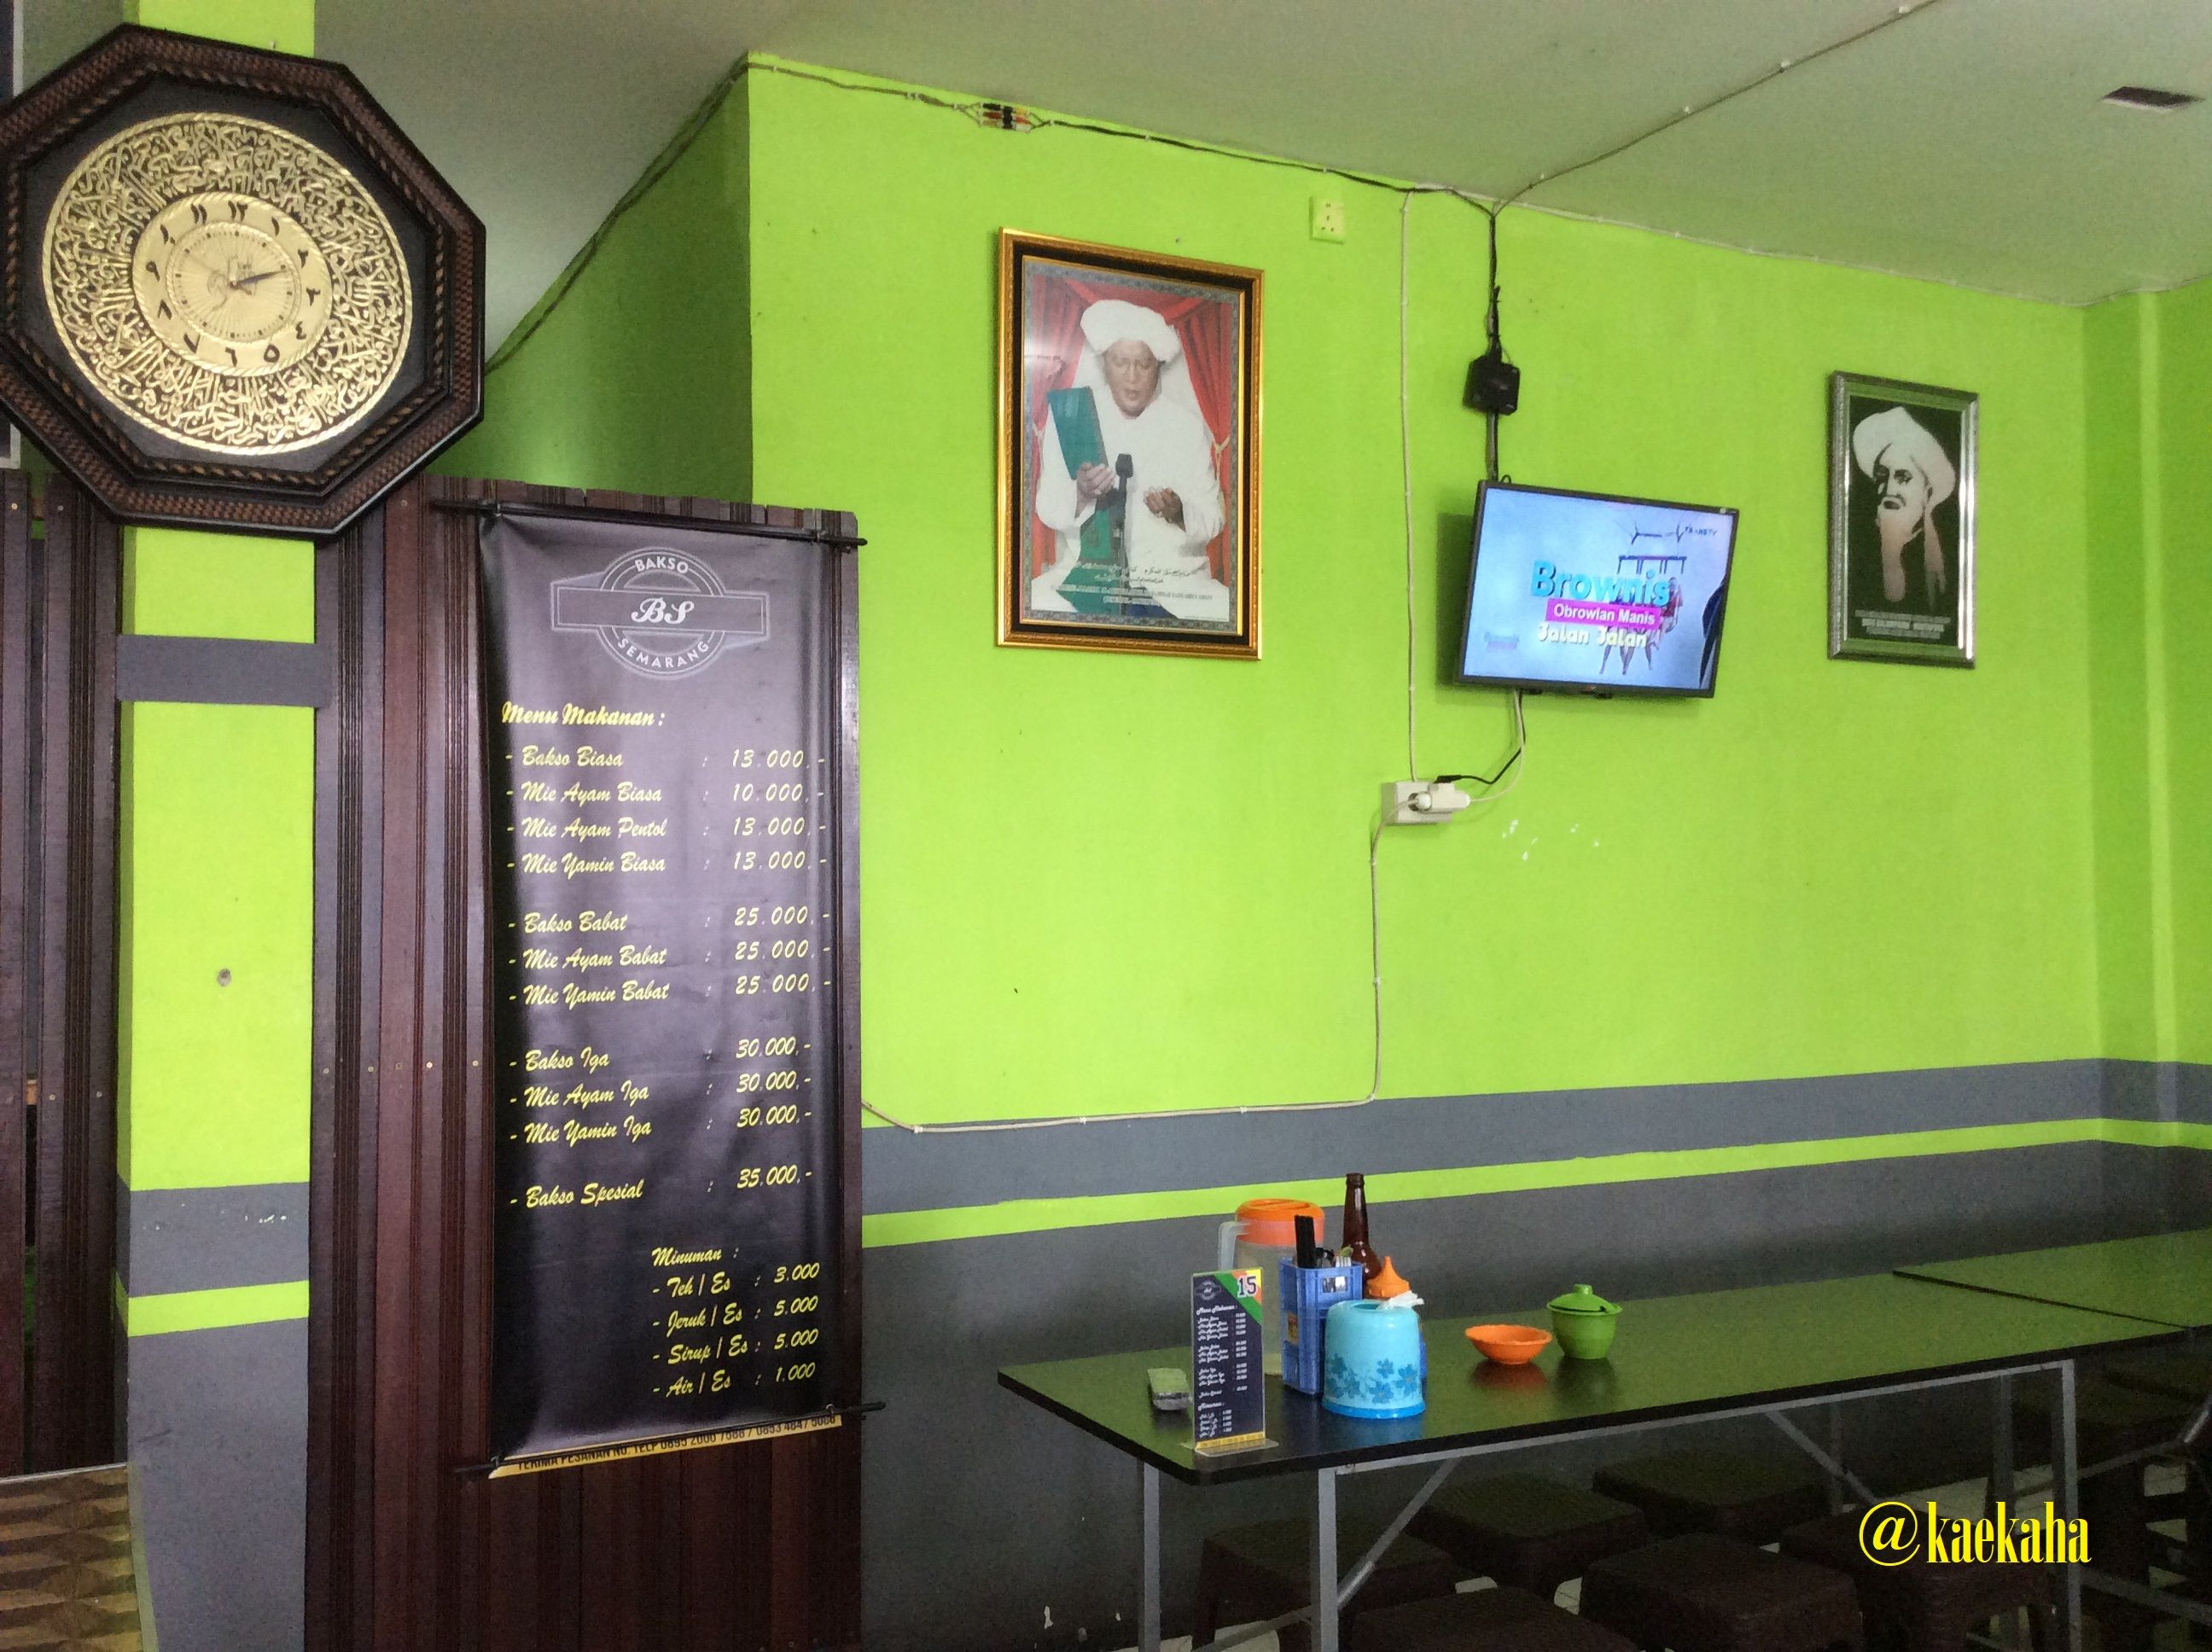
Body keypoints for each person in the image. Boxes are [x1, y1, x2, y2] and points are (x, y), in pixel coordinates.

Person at [1032, 297, 1229, 624]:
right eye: (1122, 362)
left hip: (1174, 583)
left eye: (1144, 364)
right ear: (1104, 363)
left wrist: (1180, 513)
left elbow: (1212, 518)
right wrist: (1081, 495)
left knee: (1230, 615)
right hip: (1090, 582)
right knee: (1035, 608)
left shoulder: (1187, 428)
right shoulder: (1073, 414)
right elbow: (1049, 509)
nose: (1133, 377)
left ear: (1159, 366)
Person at [1850, 404, 1957, 610]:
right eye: (1882, 475)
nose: (1889, 488)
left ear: (1926, 495)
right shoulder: (1858, 561)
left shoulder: (1943, 570)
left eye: (1903, 477)